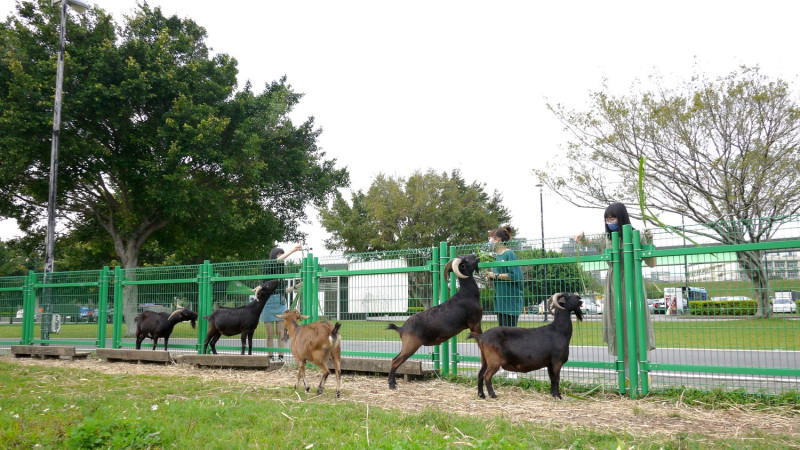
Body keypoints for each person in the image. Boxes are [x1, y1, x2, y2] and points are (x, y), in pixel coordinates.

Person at [573, 202, 656, 361]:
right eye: (607, 219)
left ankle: (642, 373)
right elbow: (588, 242)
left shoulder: (636, 235)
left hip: (633, 282)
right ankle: (623, 376)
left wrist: (649, 242)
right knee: (617, 323)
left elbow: (651, 263)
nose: (610, 222)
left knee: (637, 322)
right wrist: (582, 237)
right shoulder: (606, 238)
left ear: (622, 217)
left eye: (613, 218)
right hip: (613, 285)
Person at [262, 244, 302, 360]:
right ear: (274, 255)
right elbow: (278, 259)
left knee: (281, 333)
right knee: (269, 334)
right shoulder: (268, 265)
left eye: (281, 253)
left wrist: (295, 287)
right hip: (268, 302)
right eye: (278, 254)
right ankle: (270, 356)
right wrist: (293, 250)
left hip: (280, 302)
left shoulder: (281, 273)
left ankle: (280, 356)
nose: (280, 256)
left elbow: (283, 290)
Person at [485, 226, 524, 327]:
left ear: (498, 238)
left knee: (510, 337)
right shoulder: (497, 257)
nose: (490, 241)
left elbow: (515, 276)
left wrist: (495, 275)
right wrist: (490, 277)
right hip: (500, 304)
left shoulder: (509, 254)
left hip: (510, 303)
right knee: (502, 337)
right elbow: (498, 277)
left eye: (491, 238)